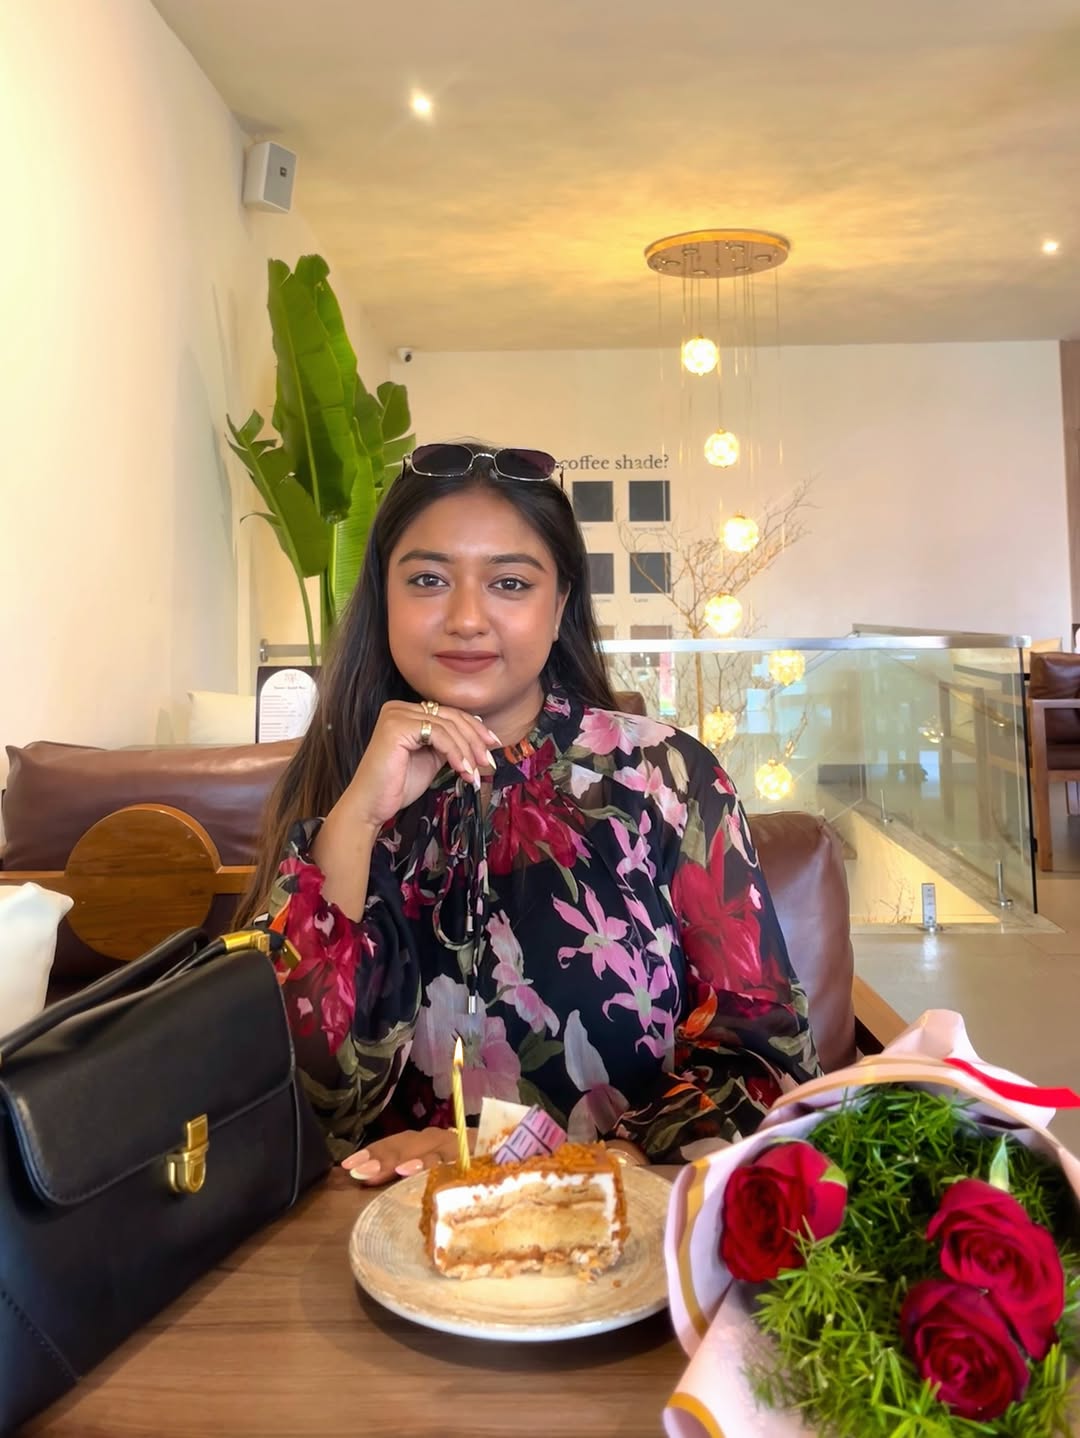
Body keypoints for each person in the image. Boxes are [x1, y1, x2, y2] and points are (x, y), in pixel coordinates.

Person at [243, 441, 820, 1183]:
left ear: (560, 605)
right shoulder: (335, 781)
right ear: (383, 597)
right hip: (375, 1233)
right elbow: (281, 1091)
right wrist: (356, 817)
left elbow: (765, 1058)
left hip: (611, 1223)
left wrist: (586, 1165)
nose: (466, 619)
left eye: (510, 583)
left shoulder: (665, 779)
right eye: (427, 580)